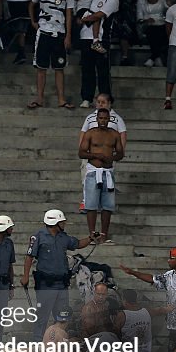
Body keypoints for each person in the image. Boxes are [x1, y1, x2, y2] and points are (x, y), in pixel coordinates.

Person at [22, 209, 93, 338]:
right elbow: (29, 257)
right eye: (62, 222)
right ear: (55, 223)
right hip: (46, 284)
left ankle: (57, 342)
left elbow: (77, 244)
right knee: (42, 315)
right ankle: (38, 344)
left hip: (61, 284)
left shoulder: (63, 237)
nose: (64, 224)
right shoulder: (38, 236)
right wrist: (25, 276)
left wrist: (90, 238)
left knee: (62, 315)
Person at [29, 0, 73, 109]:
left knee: (59, 68)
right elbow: (32, 4)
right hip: (43, 33)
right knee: (41, 67)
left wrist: (68, 35)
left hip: (59, 34)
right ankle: (39, 98)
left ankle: (61, 99)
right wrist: (33, 21)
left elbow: (69, 14)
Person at [79, 108, 125, 243]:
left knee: (107, 206)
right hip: (94, 171)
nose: (103, 121)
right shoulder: (90, 133)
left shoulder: (115, 134)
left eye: (105, 118)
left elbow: (121, 153)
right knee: (91, 205)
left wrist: (113, 157)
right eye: (101, 118)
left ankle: (104, 234)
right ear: (97, 119)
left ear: (109, 119)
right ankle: (92, 233)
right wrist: (96, 155)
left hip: (108, 172)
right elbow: (81, 153)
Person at [78, 0, 119, 108]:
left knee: (103, 71)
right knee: (87, 69)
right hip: (86, 36)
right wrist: (87, 18)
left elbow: (99, 15)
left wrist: (85, 19)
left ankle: (105, 99)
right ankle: (87, 98)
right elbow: (92, 14)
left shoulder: (113, 0)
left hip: (102, 38)